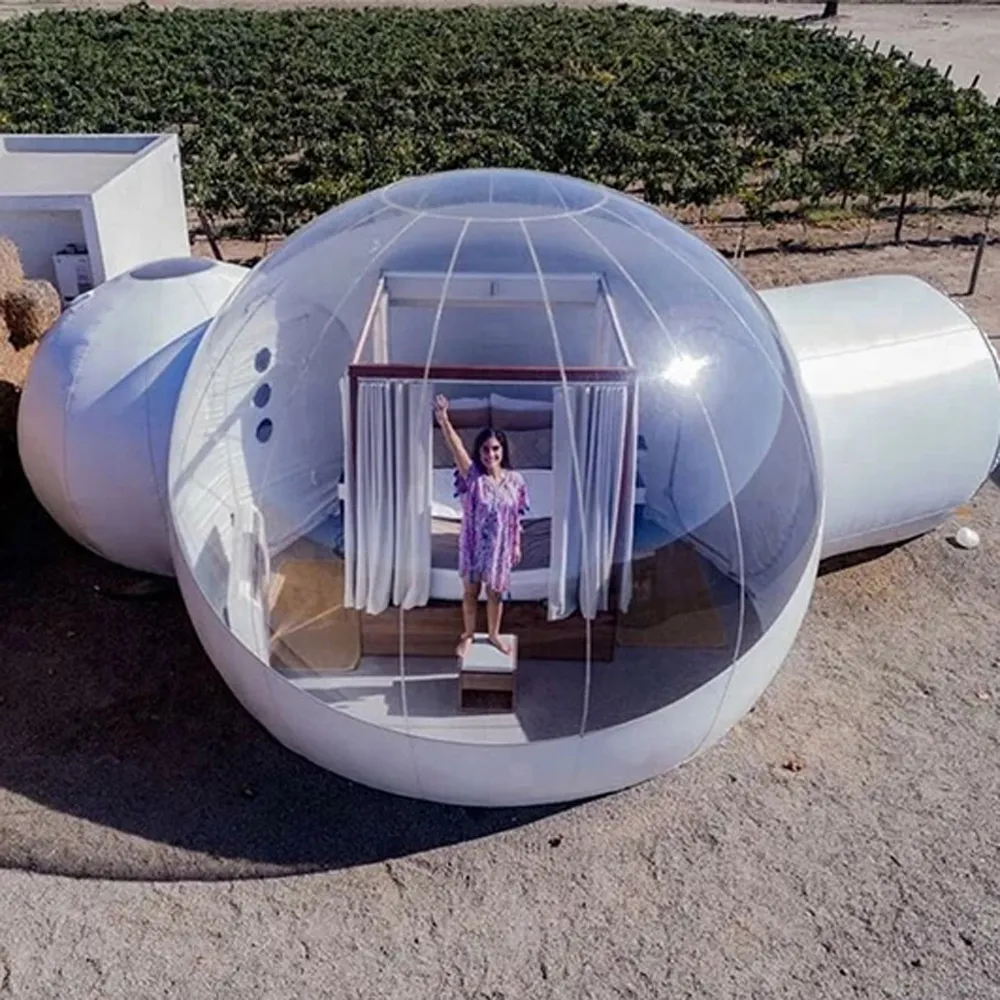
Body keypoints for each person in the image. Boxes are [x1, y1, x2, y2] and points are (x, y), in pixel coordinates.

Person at [433, 393, 528, 658]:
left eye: (496, 448)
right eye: (486, 449)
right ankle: (468, 636)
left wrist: (516, 545)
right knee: (471, 592)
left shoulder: (516, 481)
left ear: (503, 450)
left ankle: (494, 635)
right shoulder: (473, 477)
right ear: (480, 452)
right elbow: (457, 448)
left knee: (495, 593)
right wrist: (444, 421)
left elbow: (516, 516)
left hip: (500, 548)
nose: (491, 454)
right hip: (474, 545)